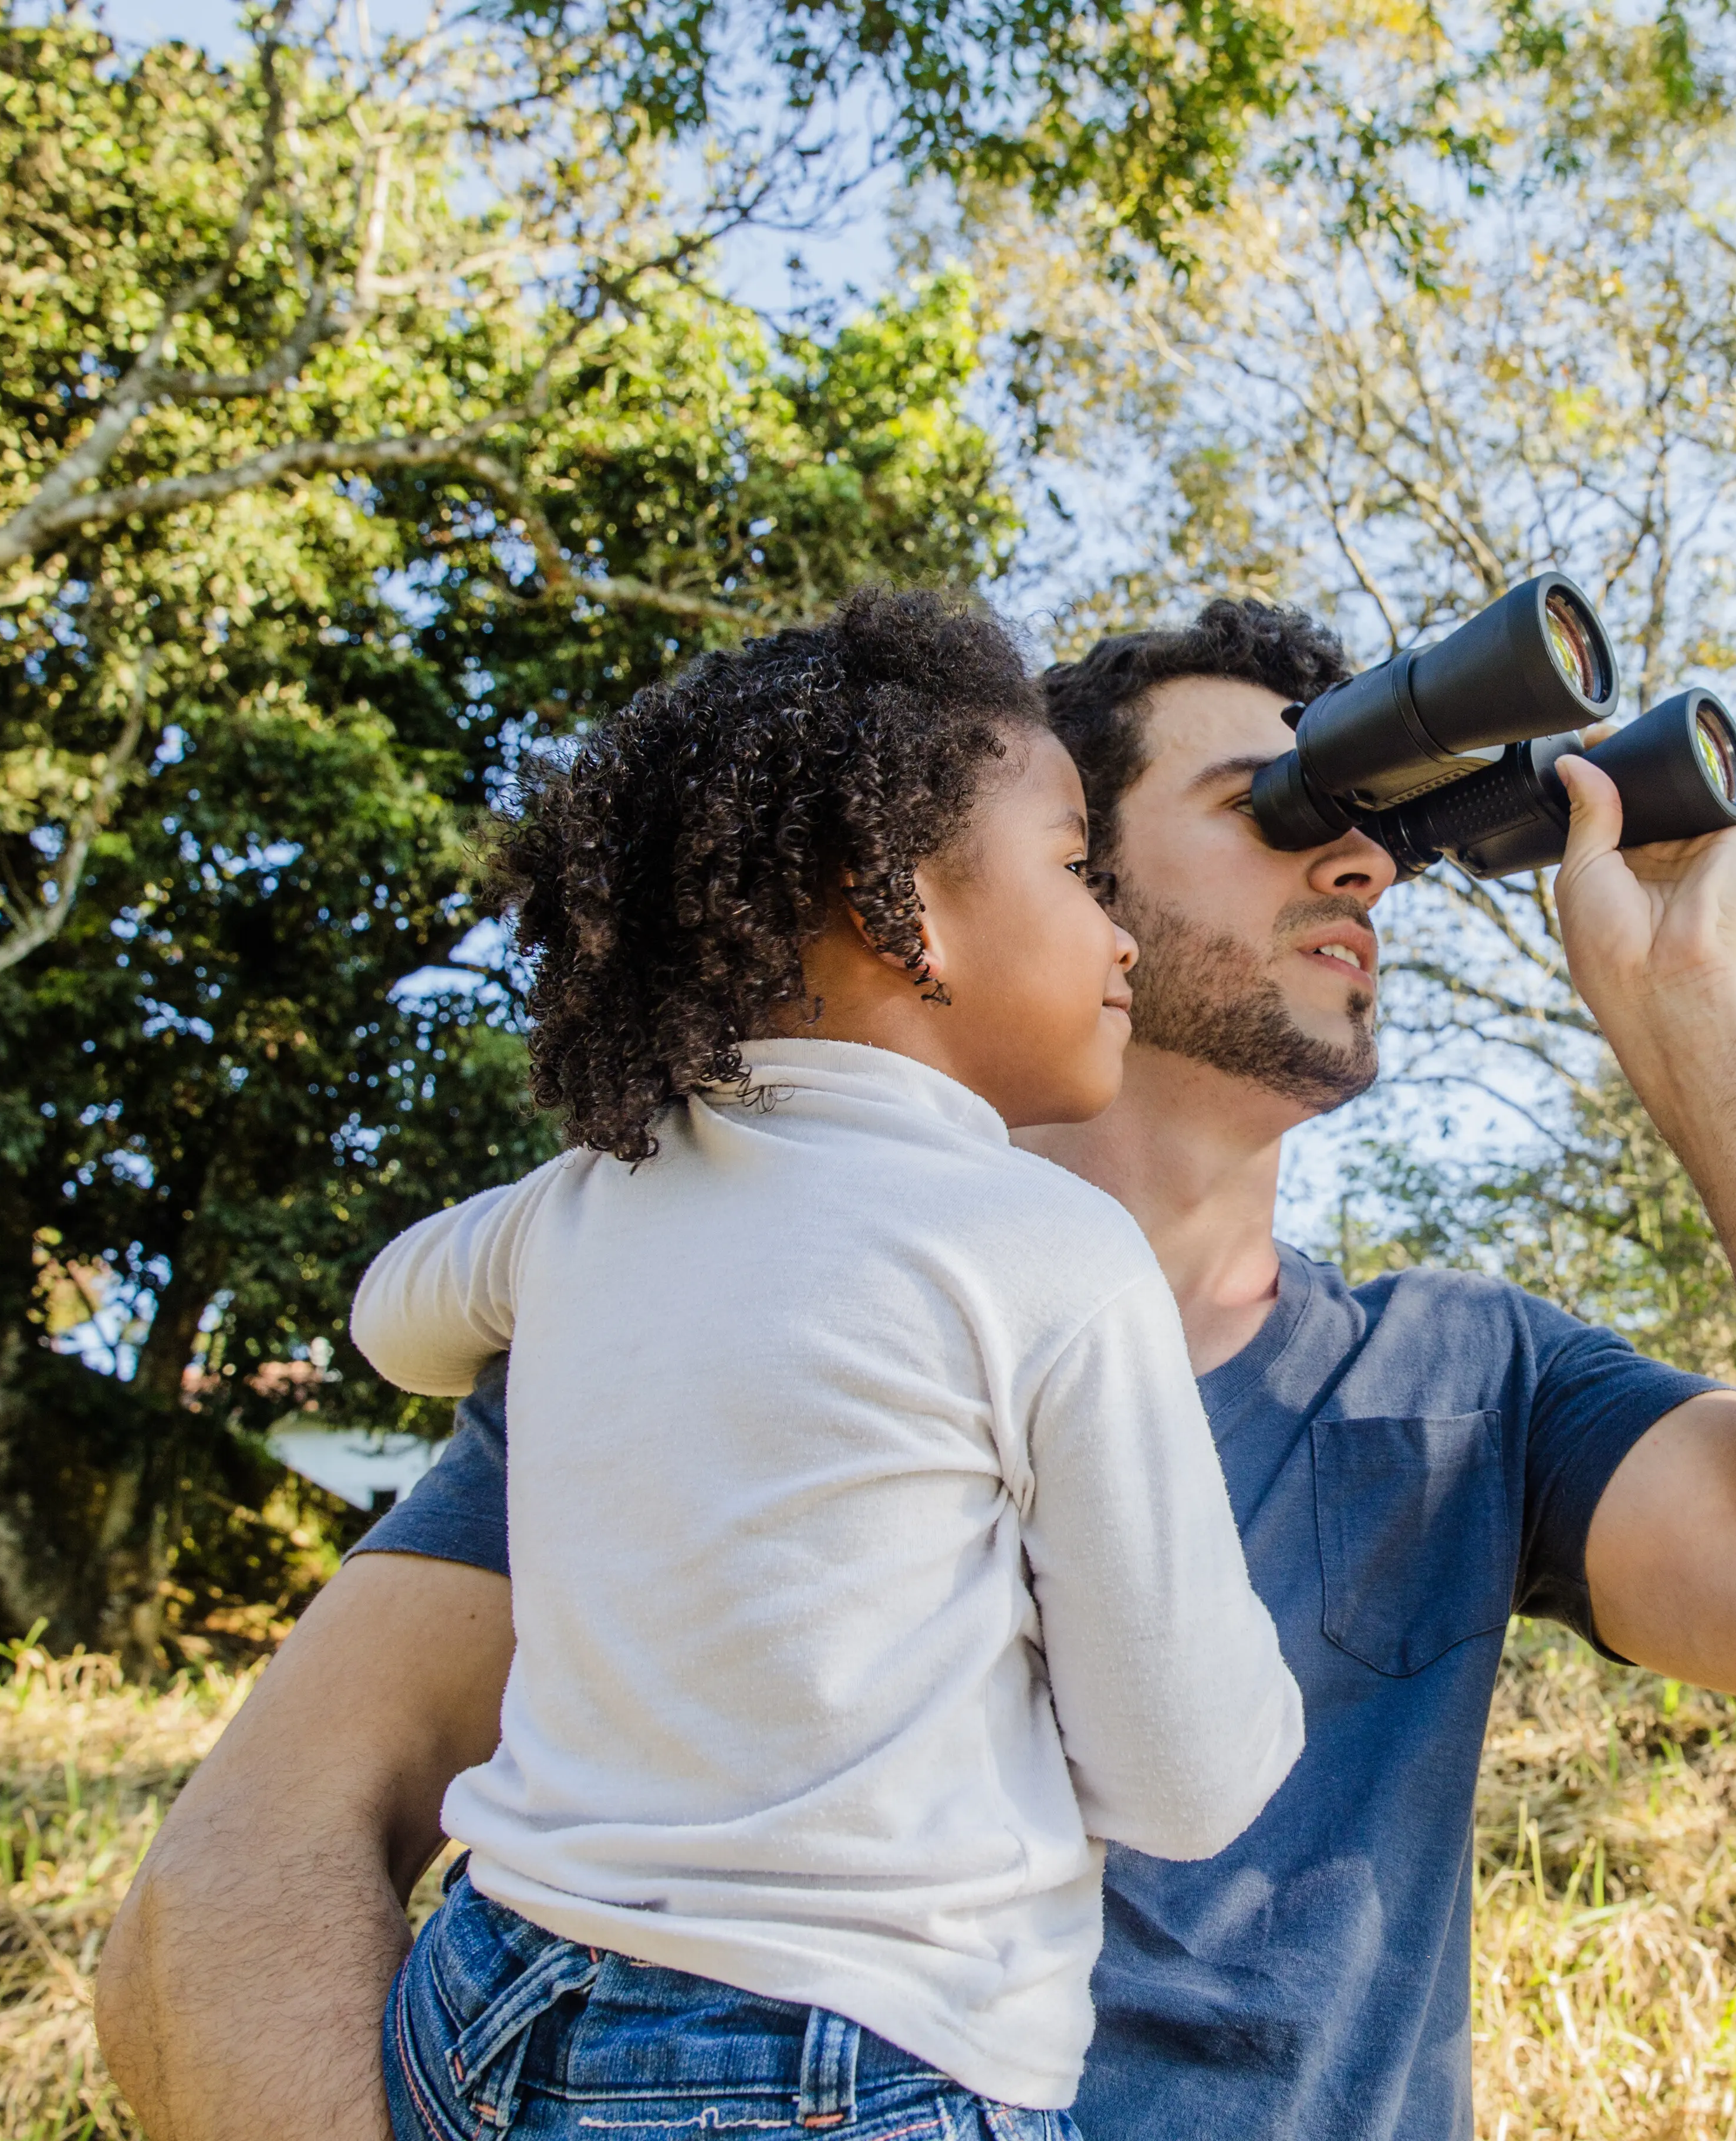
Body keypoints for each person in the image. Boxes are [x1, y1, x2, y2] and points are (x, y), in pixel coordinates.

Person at [95, 597, 1736, 2141]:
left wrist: (1690, 1010)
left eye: (1381, 829)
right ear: (1011, 884)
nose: (1365, 870)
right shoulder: (709, 1310)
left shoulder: (1464, 1381)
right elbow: (243, 1870)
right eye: (1280, 804)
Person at [346, 587, 1301, 2140]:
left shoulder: (594, 1197)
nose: (1118, 932)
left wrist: (559, 1244)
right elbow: (1186, 1785)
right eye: (1073, 870)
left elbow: (395, 1316)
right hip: (840, 2066)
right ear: (904, 910)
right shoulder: (1042, 1250)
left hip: (492, 2001)